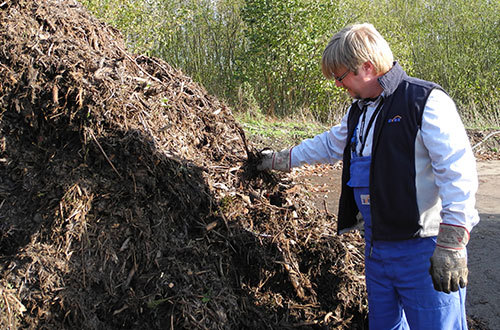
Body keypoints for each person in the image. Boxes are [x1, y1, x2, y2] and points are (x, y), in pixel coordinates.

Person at [257, 23, 479, 329]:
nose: (337, 84)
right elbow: (329, 144)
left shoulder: (424, 101)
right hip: (376, 249)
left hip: (423, 251)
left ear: (366, 67)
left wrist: (452, 243)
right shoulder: (360, 111)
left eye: (340, 76)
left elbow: (458, 173)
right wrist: (282, 159)